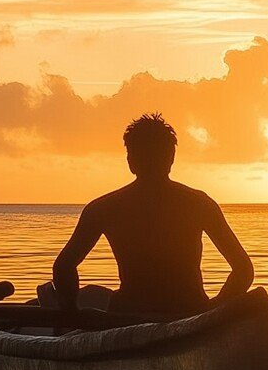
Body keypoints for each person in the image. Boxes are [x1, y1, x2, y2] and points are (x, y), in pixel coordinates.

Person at [49, 113, 253, 317]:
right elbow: (243, 270)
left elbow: (64, 267)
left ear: (131, 160)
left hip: (128, 316)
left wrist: (71, 314)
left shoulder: (104, 208)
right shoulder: (199, 204)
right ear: (171, 158)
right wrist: (211, 312)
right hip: (188, 312)